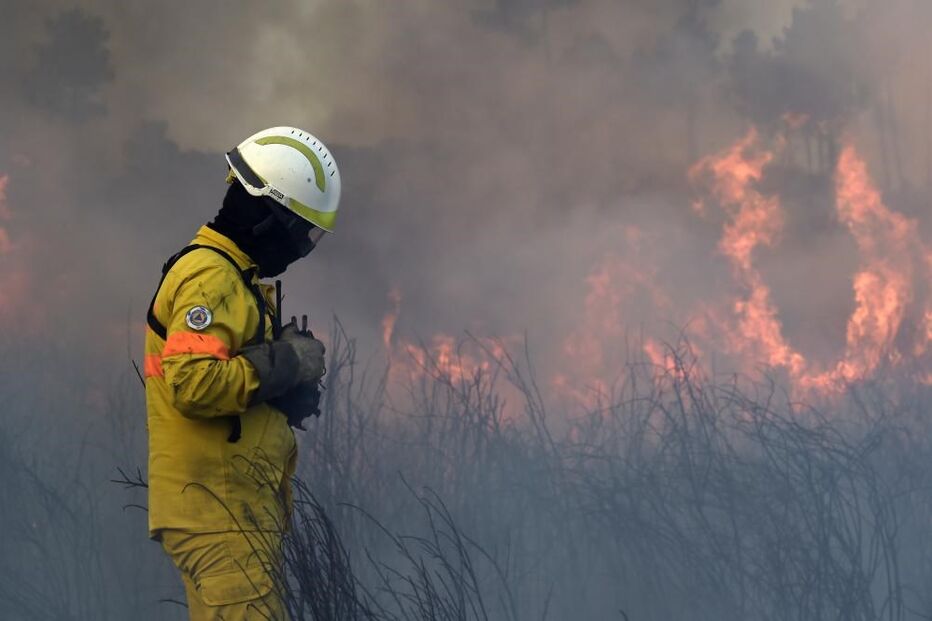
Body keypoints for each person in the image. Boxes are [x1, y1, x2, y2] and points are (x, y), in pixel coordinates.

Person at [142, 126, 341, 620]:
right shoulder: (211, 277)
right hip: (218, 508)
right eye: (299, 229)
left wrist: (278, 394)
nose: (299, 248)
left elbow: (223, 379)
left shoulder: (233, 278)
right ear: (265, 217)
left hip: (226, 508)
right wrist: (289, 362)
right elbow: (195, 384)